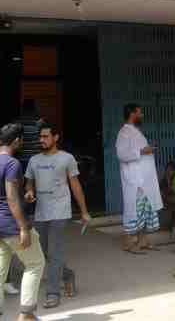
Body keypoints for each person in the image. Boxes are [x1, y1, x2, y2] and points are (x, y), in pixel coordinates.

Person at [24, 122, 91, 309]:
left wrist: (84, 211)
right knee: (44, 253)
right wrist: (29, 192)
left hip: (60, 211)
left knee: (55, 253)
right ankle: (67, 274)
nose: (42, 140)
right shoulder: (34, 160)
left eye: (45, 136)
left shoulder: (67, 158)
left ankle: (53, 293)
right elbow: (29, 182)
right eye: (40, 137)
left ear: (55, 137)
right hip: (41, 212)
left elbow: (75, 185)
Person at [0, 123, 45, 321]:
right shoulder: (12, 163)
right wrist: (23, 228)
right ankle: (26, 314)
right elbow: (10, 197)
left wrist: (23, 197)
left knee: (0, 271)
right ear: (17, 141)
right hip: (11, 224)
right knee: (35, 263)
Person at [115, 103, 163, 255]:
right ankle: (129, 243)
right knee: (134, 212)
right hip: (135, 181)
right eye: (139, 113)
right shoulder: (124, 132)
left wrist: (147, 150)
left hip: (144, 180)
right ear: (132, 114)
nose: (142, 115)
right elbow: (122, 154)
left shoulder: (135, 131)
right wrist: (142, 151)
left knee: (144, 210)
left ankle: (143, 241)